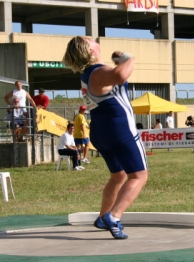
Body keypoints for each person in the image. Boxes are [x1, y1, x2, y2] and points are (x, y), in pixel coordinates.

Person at [63, 36, 148, 239]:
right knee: (139, 175)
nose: (93, 39)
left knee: (119, 176)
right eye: (90, 40)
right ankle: (114, 216)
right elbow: (119, 76)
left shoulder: (89, 72)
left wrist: (119, 62)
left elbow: (112, 78)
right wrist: (130, 58)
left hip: (101, 129)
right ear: (90, 51)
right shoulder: (98, 72)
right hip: (119, 128)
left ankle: (103, 217)